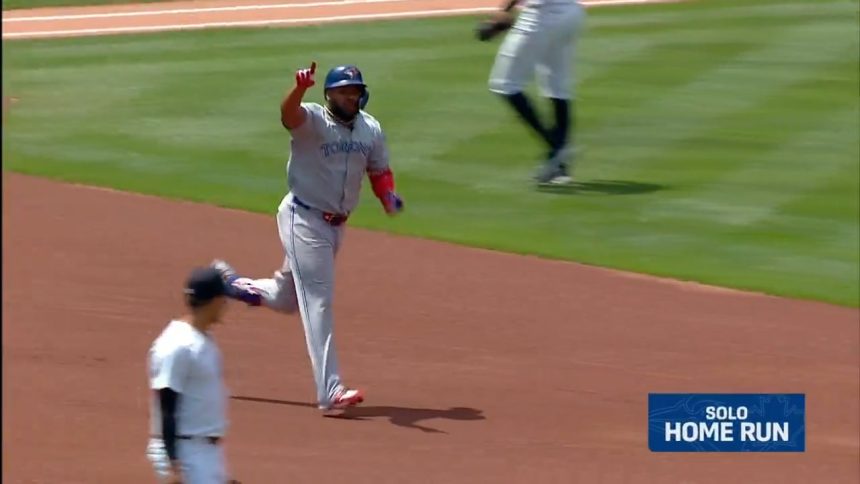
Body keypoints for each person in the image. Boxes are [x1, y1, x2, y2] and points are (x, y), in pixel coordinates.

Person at [211, 62, 404, 413]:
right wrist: (299, 88)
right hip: (304, 217)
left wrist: (388, 196)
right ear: (328, 93)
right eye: (344, 90)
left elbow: (380, 171)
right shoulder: (313, 121)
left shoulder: (370, 128)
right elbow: (288, 114)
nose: (351, 95)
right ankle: (330, 390)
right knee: (319, 300)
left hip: (336, 225)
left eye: (355, 89)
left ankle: (230, 284)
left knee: (287, 298)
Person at [145, 266, 240, 484]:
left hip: (203, 450)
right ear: (214, 300)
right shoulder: (177, 344)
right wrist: (173, 465)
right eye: (223, 298)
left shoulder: (202, 339)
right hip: (185, 450)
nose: (226, 305)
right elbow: (166, 406)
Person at [478, 0, 586, 186]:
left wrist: (503, 11)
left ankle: (556, 147)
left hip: (541, 15)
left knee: (504, 84)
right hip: (571, 13)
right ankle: (558, 168)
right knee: (557, 85)